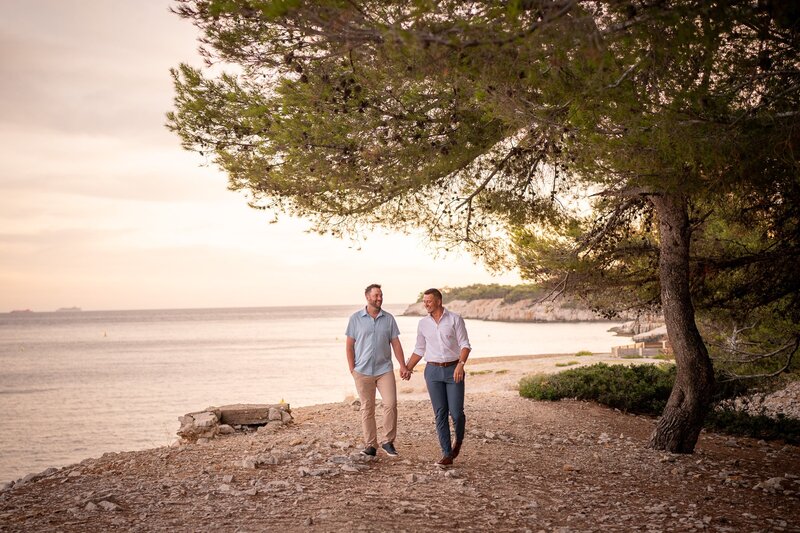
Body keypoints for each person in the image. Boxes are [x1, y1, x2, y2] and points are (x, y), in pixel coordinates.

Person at [405, 288, 471, 467]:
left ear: (439, 301)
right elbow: (419, 349)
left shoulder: (455, 319)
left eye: (429, 301)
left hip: (453, 370)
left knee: (456, 413)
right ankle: (447, 454)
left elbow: (465, 345)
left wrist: (460, 364)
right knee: (440, 413)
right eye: (424, 301)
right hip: (432, 372)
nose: (426, 304)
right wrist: (408, 368)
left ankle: (459, 440)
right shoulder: (423, 324)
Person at [345, 283, 408, 457]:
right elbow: (349, 346)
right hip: (362, 371)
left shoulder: (388, 319)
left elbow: (395, 343)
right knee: (367, 408)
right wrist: (353, 369)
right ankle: (371, 445)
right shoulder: (355, 319)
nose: (379, 298)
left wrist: (402, 365)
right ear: (367, 297)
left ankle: (388, 442)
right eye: (376, 296)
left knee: (390, 404)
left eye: (381, 295)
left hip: (384, 369)